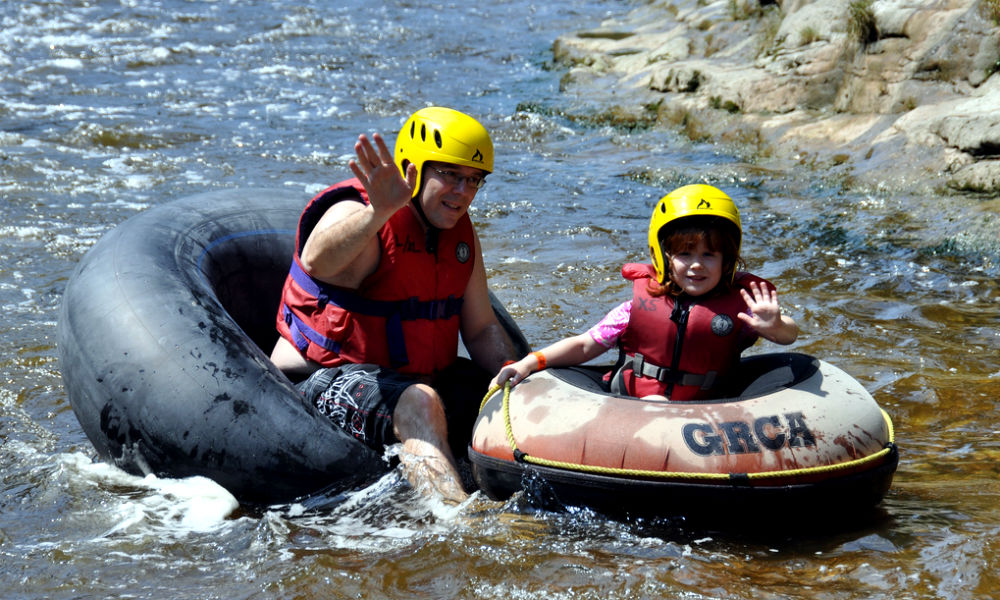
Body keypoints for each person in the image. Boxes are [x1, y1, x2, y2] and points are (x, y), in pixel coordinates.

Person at [270, 106, 518, 503]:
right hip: (317, 382)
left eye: (473, 180)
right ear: (413, 170)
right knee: (420, 400)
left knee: (507, 395)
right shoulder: (359, 212)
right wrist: (378, 212)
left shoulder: (458, 234)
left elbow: (480, 328)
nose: (462, 192)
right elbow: (318, 260)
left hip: (412, 382)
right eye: (450, 175)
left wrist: (520, 375)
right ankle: (454, 522)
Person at [491, 184, 798, 400]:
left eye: (709, 255)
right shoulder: (635, 309)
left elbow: (788, 336)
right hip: (643, 406)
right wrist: (530, 362)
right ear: (664, 256)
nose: (696, 266)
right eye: (685, 254)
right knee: (656, 404)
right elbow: (586, 345)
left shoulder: (743, 307)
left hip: (713, 414)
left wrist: (775, 326)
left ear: (727, 260)